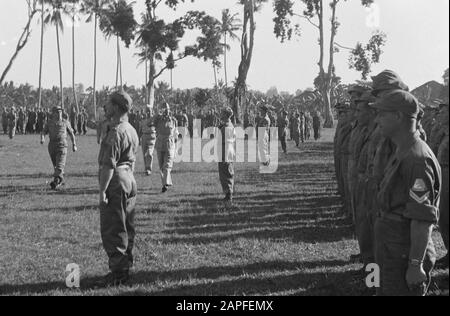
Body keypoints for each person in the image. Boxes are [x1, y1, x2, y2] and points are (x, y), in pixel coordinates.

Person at [371, 89, 441, 296]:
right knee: (378, 287)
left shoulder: (417, 160)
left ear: (399, 116)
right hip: (388, 243)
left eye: (382, 114)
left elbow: (422, 219)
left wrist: (415, 265)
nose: (377, 119)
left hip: (403, 251)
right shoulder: (401, 149)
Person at [97, 90, 139, 286]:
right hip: (130, 178)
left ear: (116, 107)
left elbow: (108, 165)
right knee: (127, 225)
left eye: (109, 103)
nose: (106, 106)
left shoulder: (116, 131)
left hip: (116, 179)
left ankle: (119, 272)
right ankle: (126, 266)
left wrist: (102, 190)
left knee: (114, 227)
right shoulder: (130, 129)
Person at [40, 106, 77, 190]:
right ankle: (59, 179)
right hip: (52, 145)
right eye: (57, 111)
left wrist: (74, 144)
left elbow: (71, 134)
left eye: (60, 111)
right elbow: (43, 132)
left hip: (62, 145)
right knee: (56, 165)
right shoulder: (49, 123)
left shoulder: (65, 122)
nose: (59, 112)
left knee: (60, 164)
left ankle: (56, 181)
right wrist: (42, 138)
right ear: (53, 113)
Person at [435, 103, 449, 269]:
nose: (440, 114)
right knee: (444, 216)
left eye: (444, 112)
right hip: (443, 172)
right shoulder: (444, 132)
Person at [154, 102, 178, 193]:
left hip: (169, 144)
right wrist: (157, 114)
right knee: (161, 166)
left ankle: (165, 184)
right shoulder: (157, 119)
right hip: (160, 144)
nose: (166, 111)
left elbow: (176, 132)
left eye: (167, 109)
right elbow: (149, 123)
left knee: (167, 165)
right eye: (164, 109)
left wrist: (175, 145)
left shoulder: (173, 120)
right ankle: (165, 183)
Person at [218, 107, 236, 203]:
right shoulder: (229, 124)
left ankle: (229, 194)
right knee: (228, 172)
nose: (221, 114)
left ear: (225, 115)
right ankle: (228, 193)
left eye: (222, 113)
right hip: (229, 150)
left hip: (225, 151)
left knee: (225, 173)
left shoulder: (226, 126)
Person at [140, 108, 157, 176]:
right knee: (144, 154)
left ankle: (149, 169)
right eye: (147, 111)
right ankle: (146, 168)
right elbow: (140, 128)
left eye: (149, 111)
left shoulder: (154, 119)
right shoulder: (143, 119)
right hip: (144, 136)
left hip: (151, 137)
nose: (148, 113)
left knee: (149, 153)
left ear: (152, 112)